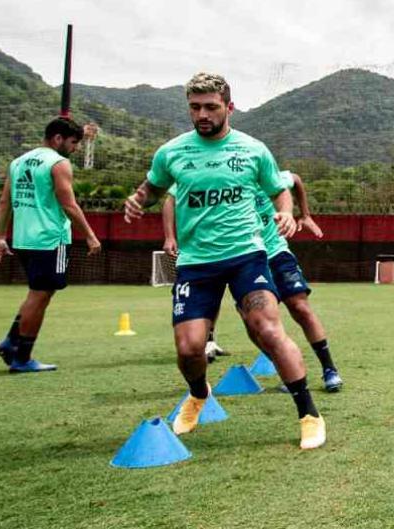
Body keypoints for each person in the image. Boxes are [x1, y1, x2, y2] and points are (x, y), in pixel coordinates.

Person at [123, 72, 326, 449]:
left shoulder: (252, 150)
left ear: (228, 108)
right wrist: (138, 199)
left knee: (267, 328)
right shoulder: (172, 152)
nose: (202, 114)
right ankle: (199, 394)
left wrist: (285, 213)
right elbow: (153, 187)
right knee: (188, 348)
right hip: (196, 263)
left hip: (247, 256)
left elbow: (280, 191)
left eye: (210, 107)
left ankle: (309, 413)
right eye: (195, 107)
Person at [165, 171, 342, 391]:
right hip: (244, 263)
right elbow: (171, 198)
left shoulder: (265, 175)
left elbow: (295, 179)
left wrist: (304, 215)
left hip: (276, 254)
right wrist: (171, 236)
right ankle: (290, 369)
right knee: (253, 325)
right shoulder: (216, 182)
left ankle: (329, 369)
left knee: (300, 307)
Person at [0, 117, 102, 372]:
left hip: (23, 239)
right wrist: (90, 235)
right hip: (50, 239)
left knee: (39, 293)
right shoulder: (58, 163)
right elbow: (69, 204)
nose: (76, 148)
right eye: (73, 142)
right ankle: (22, 357)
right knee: (39, 295)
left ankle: (11, 341)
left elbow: (4, 202)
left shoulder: (17, 162)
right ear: (58, 139)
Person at [162, 188, 229, 362]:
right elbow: (170, 201)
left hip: (222, 251)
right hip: (194, 255)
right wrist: (169, 237)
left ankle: (209, 341)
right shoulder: (191, 173)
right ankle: (197, 344)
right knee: (192, 298)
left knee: (217, 296)